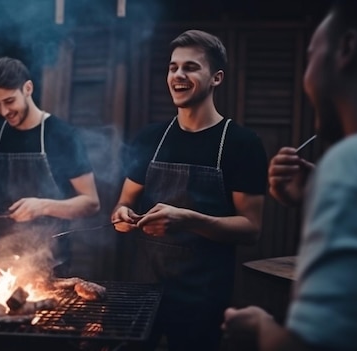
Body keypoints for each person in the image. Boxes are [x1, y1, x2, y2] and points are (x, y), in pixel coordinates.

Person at [222, 0, 357, 350]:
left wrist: (260, 327)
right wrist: (315, 194)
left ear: (346, 48)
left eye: (310, 56)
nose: (305, 79)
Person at [111, 29, 268, 351]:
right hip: (142, 291)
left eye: (191, 67)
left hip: (203, 299)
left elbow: (251, 229)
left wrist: (189, 220)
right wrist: (122, 215)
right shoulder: (150, 139)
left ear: (216, 78)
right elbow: (121, 207)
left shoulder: (242, 144)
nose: (178, 75)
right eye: (173, 67)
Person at [0, 56, 100, 283]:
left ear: (28, 88)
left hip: (49, 264)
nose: (3, 111)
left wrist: (42, 206)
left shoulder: (63, 136)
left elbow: (91, 203)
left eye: (9, 101)